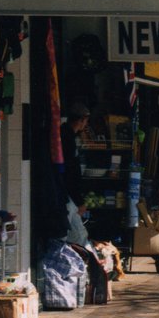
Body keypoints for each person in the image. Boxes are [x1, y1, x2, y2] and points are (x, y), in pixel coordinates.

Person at [60, 101, 91, 245]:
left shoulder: (65, 134)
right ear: (81, 120)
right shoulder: (68, 138)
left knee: (74, 233)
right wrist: (79, 201)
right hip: (67, 195)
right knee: (77, 234)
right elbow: (71, 172)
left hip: (64, 192)